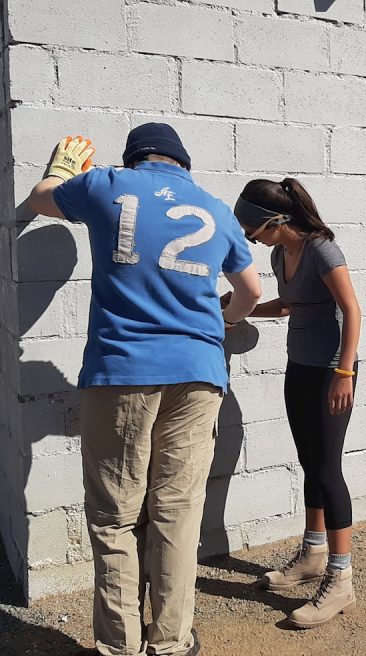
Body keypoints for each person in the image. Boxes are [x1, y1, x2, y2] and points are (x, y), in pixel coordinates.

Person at [27, 126, 262, 656]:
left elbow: (40, 202)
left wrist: (61, 172)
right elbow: (251, 291)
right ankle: (173, 642)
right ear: (182, 163)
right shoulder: (216, 209)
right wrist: (218, 325)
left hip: (121, 371)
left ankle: (120, 646)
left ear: (134, 158)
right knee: (177, 511)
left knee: (114, 516)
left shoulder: (107, 185)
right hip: (199, 373)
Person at [225, 177, 361, 628]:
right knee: (309, 463)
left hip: (330, 372)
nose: (252, 240)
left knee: (328, 469)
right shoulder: (280, 253)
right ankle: (314, 554)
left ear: (276, 222)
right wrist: (232, 307)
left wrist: (344, 372)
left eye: (254, 232)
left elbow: (353, 310)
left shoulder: (322, 249)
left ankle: (340, 581)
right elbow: (287, 305)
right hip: (299, 366)